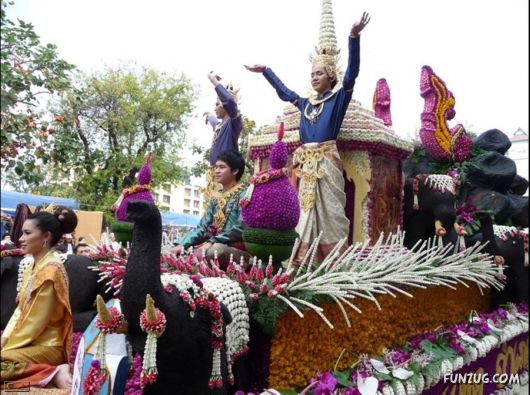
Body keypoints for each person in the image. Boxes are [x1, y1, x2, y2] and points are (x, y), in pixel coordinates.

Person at [245, 12, 370, 263]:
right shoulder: (305, 105)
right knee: (305, 210)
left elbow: (352, 74)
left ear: (331, 76)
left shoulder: (338, 99)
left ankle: (333, 260)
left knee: (331, 213)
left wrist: (353, 37)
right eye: (312, 74)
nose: (314, 78)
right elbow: (285, 93)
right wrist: (267, 72)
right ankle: (303, 259)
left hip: (327, 162)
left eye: (320, 73)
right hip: (306, 165)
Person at [1, 204, 76, 389]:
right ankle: (35, 383)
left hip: (48, 346)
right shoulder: (35, 266)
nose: (20, 238)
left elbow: (34, 323)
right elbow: (20, 311)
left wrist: (5, 348)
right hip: (29, 342)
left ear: (46, 236)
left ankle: (52, 373)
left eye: (27, 233)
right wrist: (3, 340)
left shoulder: (51, 271)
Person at [170, 150, 250, 268]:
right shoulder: (215, 197)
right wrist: (182, 244)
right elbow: (202, 227)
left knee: (215, 251)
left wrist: (212, 242)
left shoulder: (245, 194)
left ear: (235, 170)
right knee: (171, 250)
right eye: (216, 167)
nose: (216, 171)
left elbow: (240, 228)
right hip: (210, 245)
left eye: (222, 167)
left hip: (233, 248)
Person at [202, 72, 243, 206]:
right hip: (214, 176)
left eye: (217, 103)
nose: (215, 108)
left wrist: (214, 81)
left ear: (226, 105)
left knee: (223, 210)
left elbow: (230, 103)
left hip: (226, 177)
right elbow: (215, 124)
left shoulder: (233, 123)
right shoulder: (221, 125)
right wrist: (210, 116)